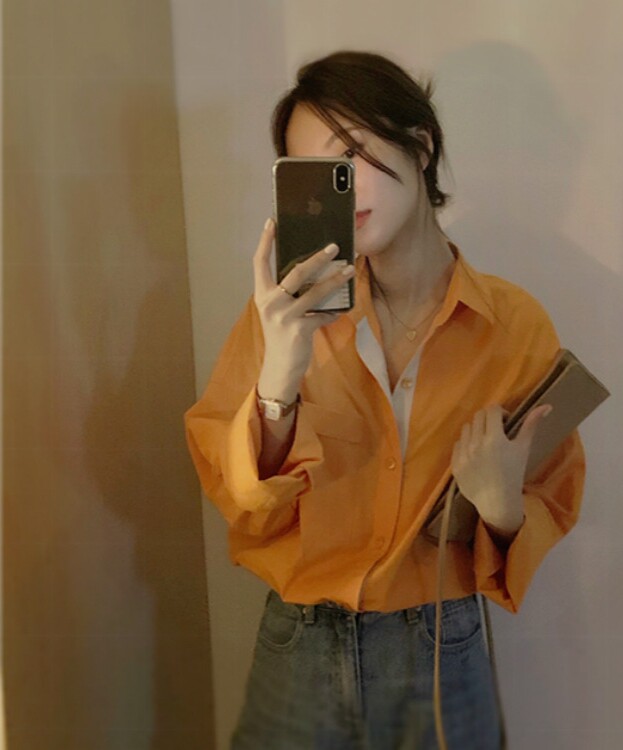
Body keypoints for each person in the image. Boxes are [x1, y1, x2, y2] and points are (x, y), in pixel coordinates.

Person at [184, 50, 586, 750]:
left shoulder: (513, 326)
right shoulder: (285, 316)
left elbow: (553, 494)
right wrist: (278, 383)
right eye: (314, 171)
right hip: (301, 646)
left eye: (351, 155)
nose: (341, 189)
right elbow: (242, 505)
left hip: (439, 649)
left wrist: (501, 507)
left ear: (421, 147)